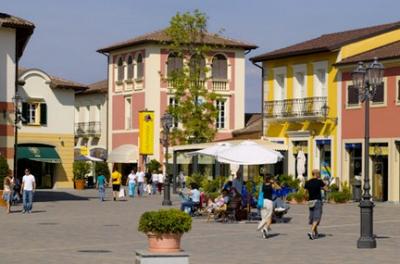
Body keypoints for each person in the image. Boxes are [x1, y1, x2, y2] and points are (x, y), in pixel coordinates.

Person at [304, 169, 328, 240]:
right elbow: (326, 189)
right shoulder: (319, 181)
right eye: (319, 174)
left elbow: (304, 193)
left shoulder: (307, 182)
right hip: (317, 201)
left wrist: (307, 199)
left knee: (312, 217)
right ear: (317, 174)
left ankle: (316, 233)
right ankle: (311, 232)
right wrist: (323, 185)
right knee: (317, 217)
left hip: (310, 201)